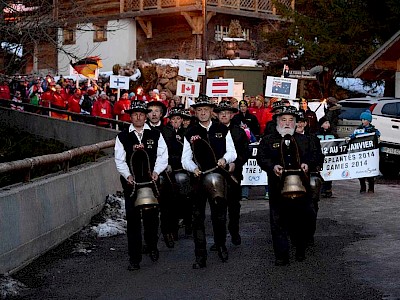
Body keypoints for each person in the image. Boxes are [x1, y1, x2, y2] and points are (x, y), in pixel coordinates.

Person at [182, 94, 237, 269]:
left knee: (219, 215)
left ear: (211, 111)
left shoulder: (222, 129)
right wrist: (193, 168)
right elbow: (185, 158)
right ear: (195, 112)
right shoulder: (190, 132)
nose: (203, 113)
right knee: (198, 217)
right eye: (199, 110)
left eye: (206, 109)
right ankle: (200, 256)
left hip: (218, 176)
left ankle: (221, 246)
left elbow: (232, 152)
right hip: (198, 179)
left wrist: (224, 159)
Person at [256, 105, 316, 266]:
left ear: (296, 123)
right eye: (283, 120)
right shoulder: (268, 140)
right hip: (277, 187)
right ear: (277, 122)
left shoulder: (305, 140)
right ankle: (281, 255)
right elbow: (261, 157)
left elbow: (315, 156)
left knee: (300, 219)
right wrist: (272, 166)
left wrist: (307, 164)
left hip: (301, 187)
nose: (287, 123)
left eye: (291, 120)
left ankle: (300, 249)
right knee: (278, 221)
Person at [114, 100, 168, 271]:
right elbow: (119, 159)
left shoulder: (155, 135)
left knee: (152, 219)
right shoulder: (122, 136)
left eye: (141, 114)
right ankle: (134, 258)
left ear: (146, 116)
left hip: (151, 183)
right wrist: (127, 175)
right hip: (132, 185)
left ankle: (152, 246)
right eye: (135, 114)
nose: (138, 117)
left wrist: (157, 172)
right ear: (130, 116)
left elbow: (162, 156)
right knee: (133, 220)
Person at [214, 100, 250, 247]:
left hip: (234, 174)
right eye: (221, 113)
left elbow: (245, 152)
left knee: (234, 206)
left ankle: (234, 232)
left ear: (231, 115)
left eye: (227, 113)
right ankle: (219, 239)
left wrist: (236, 163)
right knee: (217, 207)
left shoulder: (238, 131)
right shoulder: (212, 131)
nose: (224, 116)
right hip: (216, 174)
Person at [350, 110, 381, 193]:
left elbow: (378, 139)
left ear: (369, 121)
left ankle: (371, 188)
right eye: (362, 120)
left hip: (370, 154)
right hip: (361, 153)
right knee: (361, 172)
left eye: (365, 120)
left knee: (370, 171)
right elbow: (353, 137)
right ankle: (362, 187)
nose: (363, 121)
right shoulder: (358, 130)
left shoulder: (373, 130)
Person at [316, 116, 337, 198]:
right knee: (321, 174)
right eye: (326, 123)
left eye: (328, 123)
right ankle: (322, 190)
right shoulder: (317, 135)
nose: (328, 124)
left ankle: (328, 189)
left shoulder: (332, 134)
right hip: (321, 158)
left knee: (329, 173)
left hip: (330, 158)